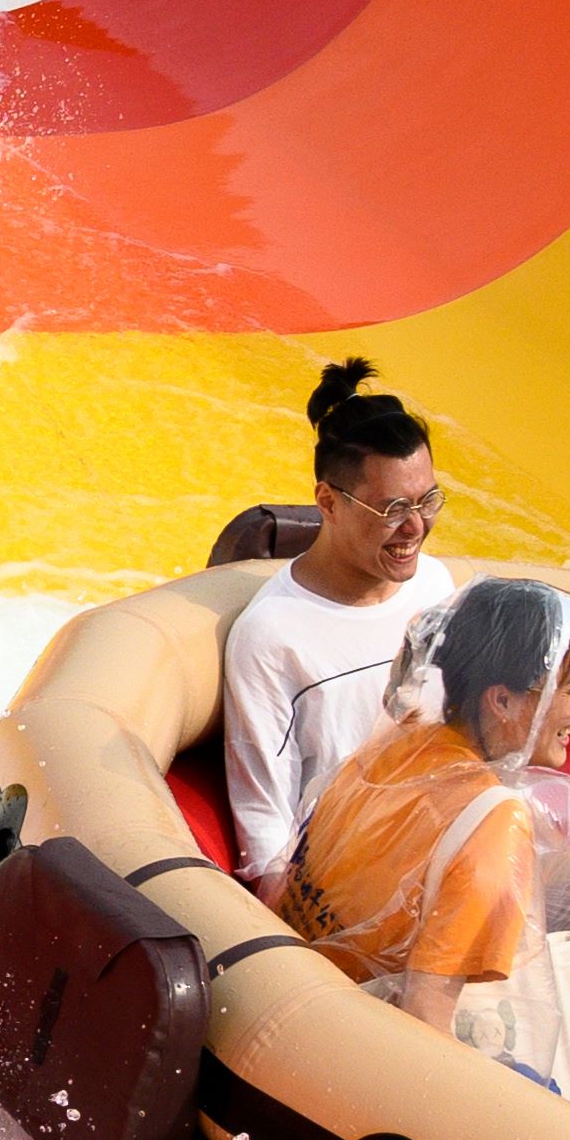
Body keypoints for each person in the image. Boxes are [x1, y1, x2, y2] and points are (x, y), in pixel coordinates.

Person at [285, 578, 570, 1107]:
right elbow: (424, 1026)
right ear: (503, 700)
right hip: (361, 1060)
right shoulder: (494, 822)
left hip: (307, 999)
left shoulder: (399, 740)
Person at [216, 360, 451, 848]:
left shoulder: (433, 585)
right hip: (347, 866)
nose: (416, 528)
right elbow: (265, 816)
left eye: (427, 502)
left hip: (440, 840)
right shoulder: (272, 635)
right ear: (327, 502)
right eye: (392, 509)